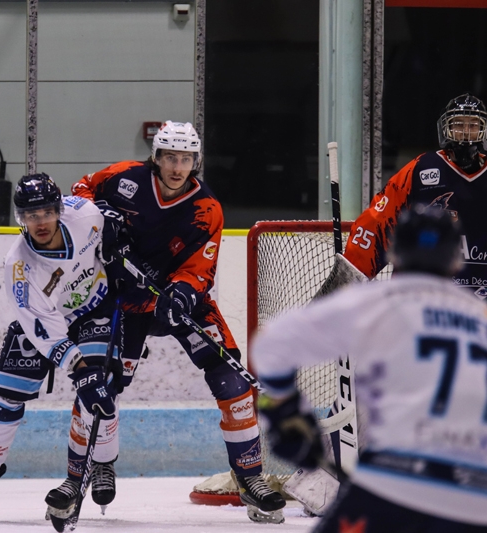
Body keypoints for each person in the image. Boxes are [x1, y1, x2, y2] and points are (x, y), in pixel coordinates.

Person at [70, 121, 287, 524]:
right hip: (125, 297)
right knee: (102, 383)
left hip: (181, 299)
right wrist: (96, 215)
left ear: (196, 161)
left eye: (185, 159)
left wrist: (184, 292)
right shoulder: (122, 178)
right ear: (156, 157)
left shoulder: (207, 209)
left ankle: (250, 478)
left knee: (233, 383)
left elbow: (201, 266)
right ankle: (96, 465)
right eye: (170, 157)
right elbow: (80, 191)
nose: (176, 166)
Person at [254, 205, 487, 532]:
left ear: (395, 253)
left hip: (394, 481)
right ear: (455, 260)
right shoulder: (480, 316)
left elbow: (272, 344)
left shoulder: (376, 302)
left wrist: (285, 409)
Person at [0, 173, 121, 522]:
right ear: (21, 218)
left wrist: (115, 235)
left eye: (46, 212)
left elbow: (109, 219)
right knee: (3, 400)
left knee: (99, 391)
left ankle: (103, 463)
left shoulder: (85, 215)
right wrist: (78, 368)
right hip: (45, 327)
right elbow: (44, 329)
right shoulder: (18, 266)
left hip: (96, 308)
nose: (40, 222)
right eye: (30, 216)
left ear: (59, 209)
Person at [320, 93, 487, 297]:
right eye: (459, 125)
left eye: (473, 125)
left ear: (482, 129)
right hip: (421, 298)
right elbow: (378, 224)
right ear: (447, 129)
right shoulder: (419, 170)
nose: (466, 132)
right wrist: (349, 276)